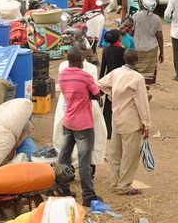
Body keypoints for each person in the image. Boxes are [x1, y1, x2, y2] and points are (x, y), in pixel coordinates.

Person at [97, 49, 151, 196]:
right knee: (130, 156)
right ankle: (124, 186)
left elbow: (100, 83)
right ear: (137, 60)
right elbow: (142, 103)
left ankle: (114, 183)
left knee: (115, 155)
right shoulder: (137, 78)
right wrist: (146, 123)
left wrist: (112, 94)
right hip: (131, 121)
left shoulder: (116, 73)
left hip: (117, 119)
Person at [56, 47, 103, 206]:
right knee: (84, 161)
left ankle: (62, 189)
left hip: (68, 120)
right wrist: (88, 94)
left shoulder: (62, 75)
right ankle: (88, 196)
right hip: (83, 123)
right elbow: (97, 95)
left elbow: (67, 93)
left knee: (64, 156)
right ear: (80, 60)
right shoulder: (85, 76)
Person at [132, 0, 164, 92]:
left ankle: (136, 91)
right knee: (148, 73)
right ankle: (146, 91)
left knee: (135, 70)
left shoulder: (135, 16)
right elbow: (159, 36)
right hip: (151, 49)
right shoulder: (157, 18)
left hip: (137, 47)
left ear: (142, 5)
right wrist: (162, 52)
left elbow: (131, 31)